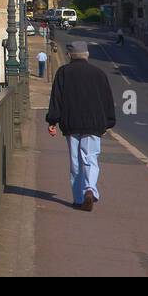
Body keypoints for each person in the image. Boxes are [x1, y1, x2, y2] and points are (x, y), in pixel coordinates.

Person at [45, 42, 116, 211]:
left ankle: (78, 199)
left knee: (75, 162)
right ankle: (90, 188)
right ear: (87, 55)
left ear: (69, 55)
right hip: (93, 123)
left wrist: (52, 121)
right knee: (90, 158)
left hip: (71, 122)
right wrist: (107, 122)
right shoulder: (99, 74)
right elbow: (107, 100)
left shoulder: (63, 73)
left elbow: (56, 99)